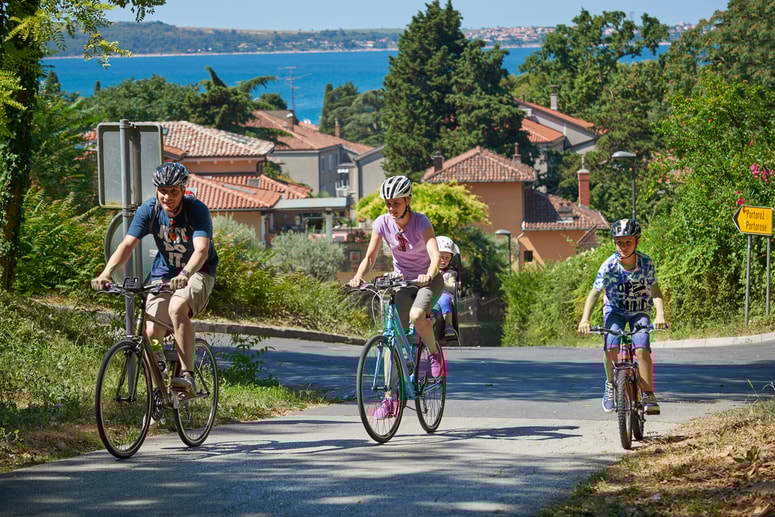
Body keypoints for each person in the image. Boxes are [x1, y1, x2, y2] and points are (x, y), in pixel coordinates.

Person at [91, 162, 219, 397]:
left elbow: (201, 251)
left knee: (178, 306)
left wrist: (185, 274)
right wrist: (106, 272)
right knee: (151, 333)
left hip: (198, 271)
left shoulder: (196, 210)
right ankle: (158, 378)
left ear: (182, 190)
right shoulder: (149, 210)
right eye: (162, 190)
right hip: (164, 272)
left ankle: (186, 375)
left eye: (173, 191)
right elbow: (127, 245)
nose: (167, 196)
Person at [348, 175, 444, 418]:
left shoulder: (421, 222)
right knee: (391, 339)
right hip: (403, 283)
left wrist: (428, 274)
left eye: (396, 203)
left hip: (428, 280)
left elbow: (434, 255)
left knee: (416, 315)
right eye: (388, 204)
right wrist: (359, 276)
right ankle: (390, 400)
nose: (391, 208)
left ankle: (434, 354)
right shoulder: (381, 223)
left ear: (408, 200)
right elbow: (370, 257)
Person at [577, 219, 667, 415]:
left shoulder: (646, 263)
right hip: (615, 311)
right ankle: (611, 385)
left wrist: (659, 314)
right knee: (611, 345)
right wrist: (585, 319)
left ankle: (648, 394)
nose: (623, 247)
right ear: (614, 243)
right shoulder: (609, 266)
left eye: (628, 242)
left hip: (640, 311)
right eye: (619, 242)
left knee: (642, 348)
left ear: (637, 242)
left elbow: (655, 290)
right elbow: (594, 293)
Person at [434, 235, 459, 338]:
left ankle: (449, 325)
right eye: (440, 257)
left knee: (444, 299)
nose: (443, 261)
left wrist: (440, 281)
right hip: (431, 294)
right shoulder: (428, 271)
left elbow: (452, 287)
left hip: (443, 294)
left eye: (447, 258)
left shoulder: (450, 273)